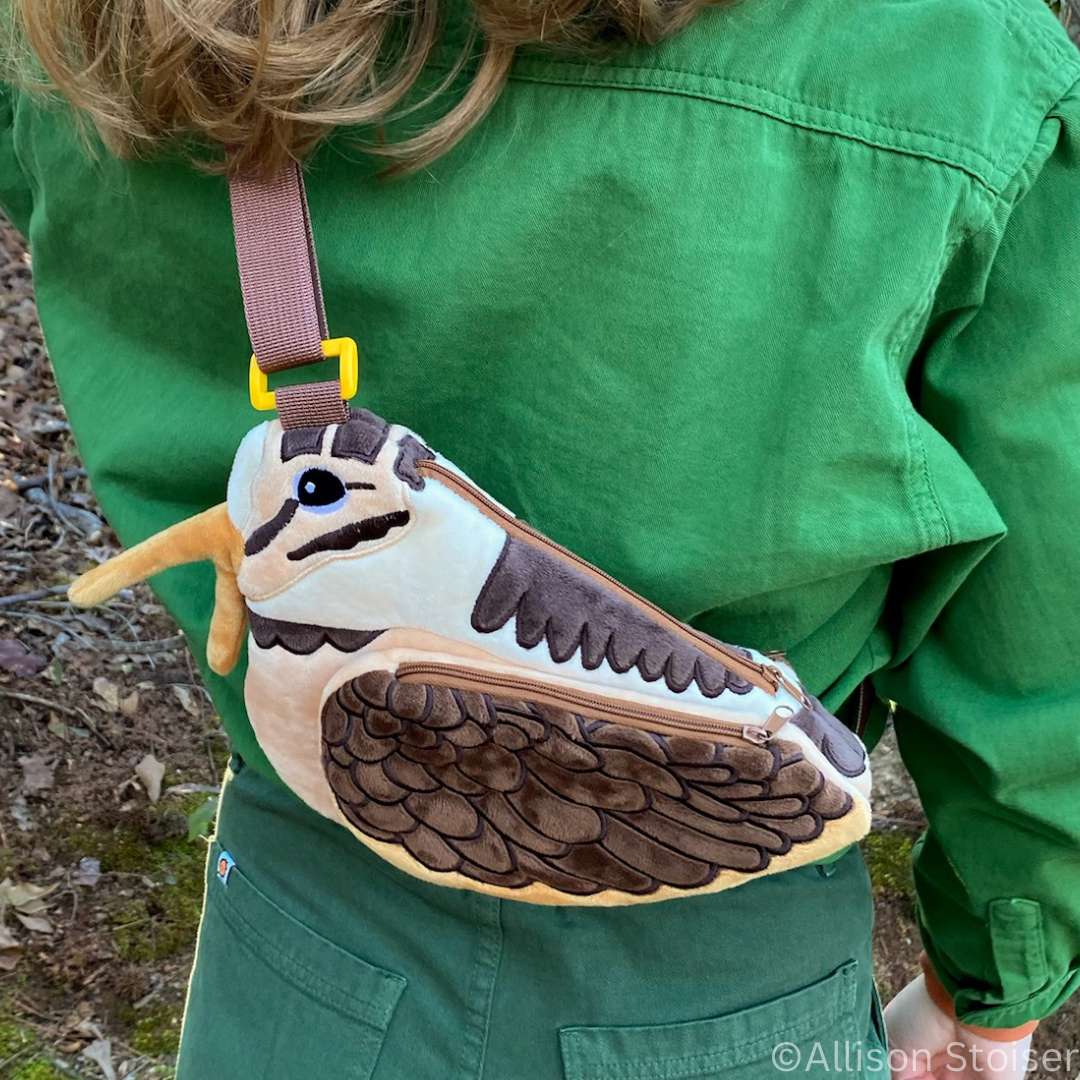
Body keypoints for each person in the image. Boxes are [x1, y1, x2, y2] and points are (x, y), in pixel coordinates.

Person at [0, 0, 1077, 1074]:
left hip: (294, 947)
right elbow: (1038, 653)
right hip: (731, 983)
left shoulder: (79, 32)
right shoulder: (951, 61)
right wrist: (990, 983)